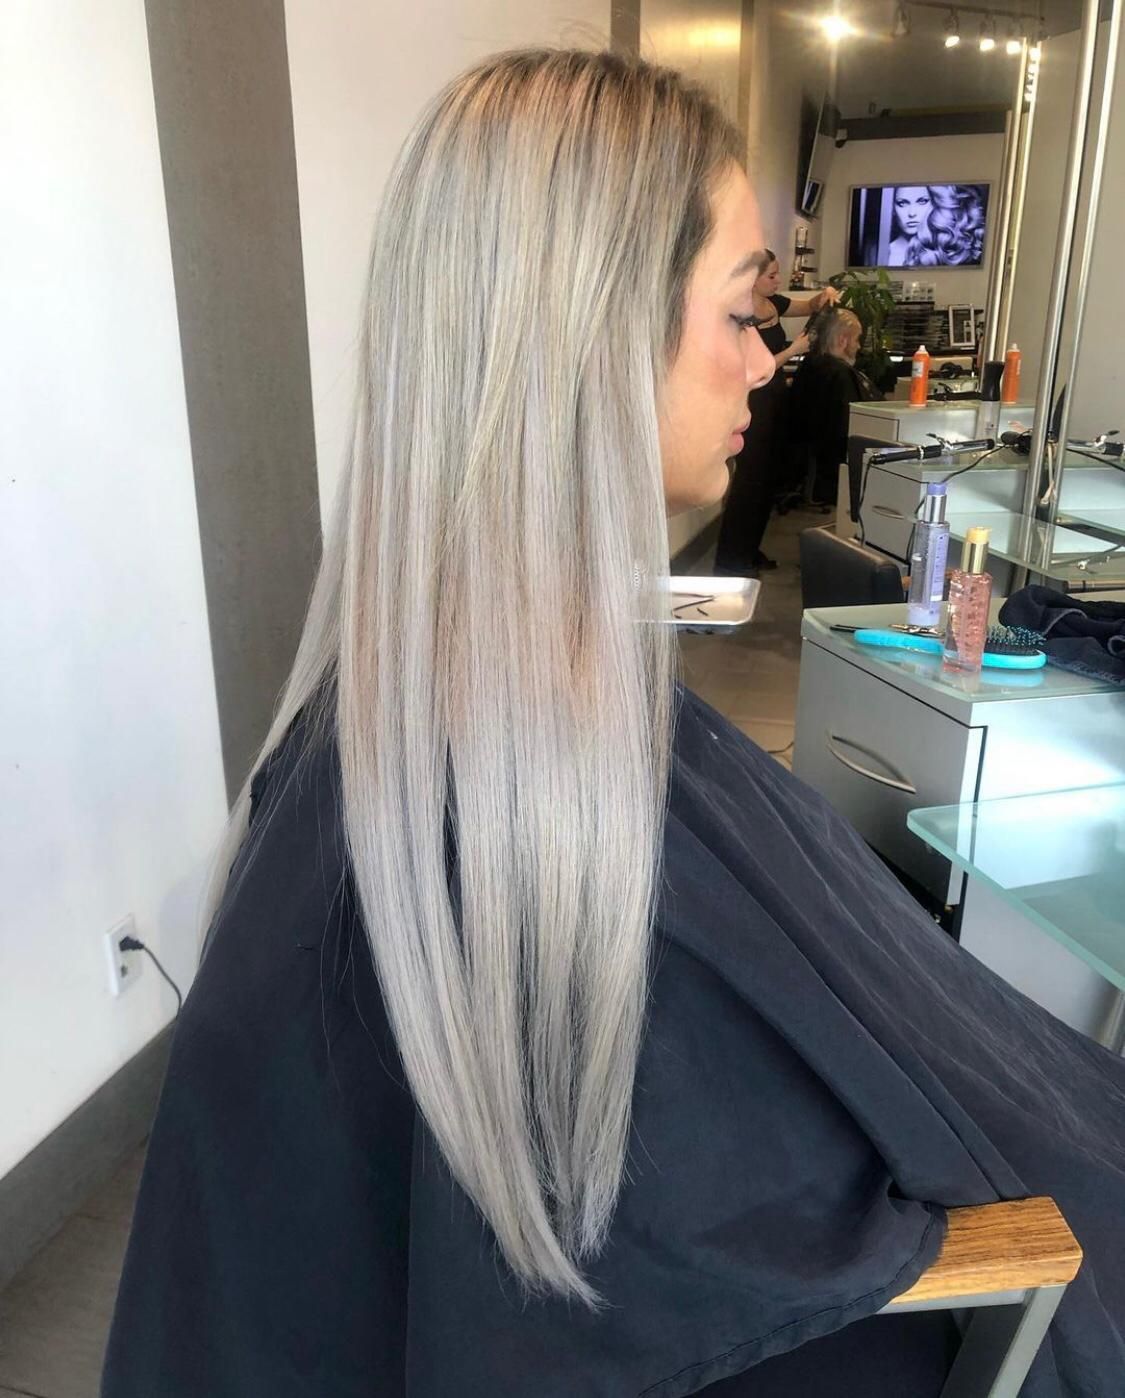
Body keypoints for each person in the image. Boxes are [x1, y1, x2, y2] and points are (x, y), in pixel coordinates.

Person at [103, 50, 1125, 1398]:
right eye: (745, 309)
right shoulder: (501, 798)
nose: (768, 360)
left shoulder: (407, 722)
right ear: (590, 340)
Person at [713, 251, 837, 575]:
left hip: (776, 403)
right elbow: (755, 369)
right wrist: (794, 350)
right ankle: (730, 564)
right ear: (752, 279)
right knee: (748, 484)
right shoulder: (741, 313)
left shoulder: (775, 304)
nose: (777, 281)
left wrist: (825, 296)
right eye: (771, 276)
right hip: (753, 406)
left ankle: (751, 550)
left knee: (769, 481)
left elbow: (810, 306)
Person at [786, 304, 874, 505]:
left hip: (810, 445)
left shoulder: (813, 363)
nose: (859, 347)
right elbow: (846, 425)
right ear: (843, 340)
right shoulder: (839, 374)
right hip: (832, 454)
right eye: (857, 340)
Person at [887, 184, 986, 267]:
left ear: (936, 204)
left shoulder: (950, 249)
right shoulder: (882, 254)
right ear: (893, 209)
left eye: (922, 201)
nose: (912, 213)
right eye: (902, 203)